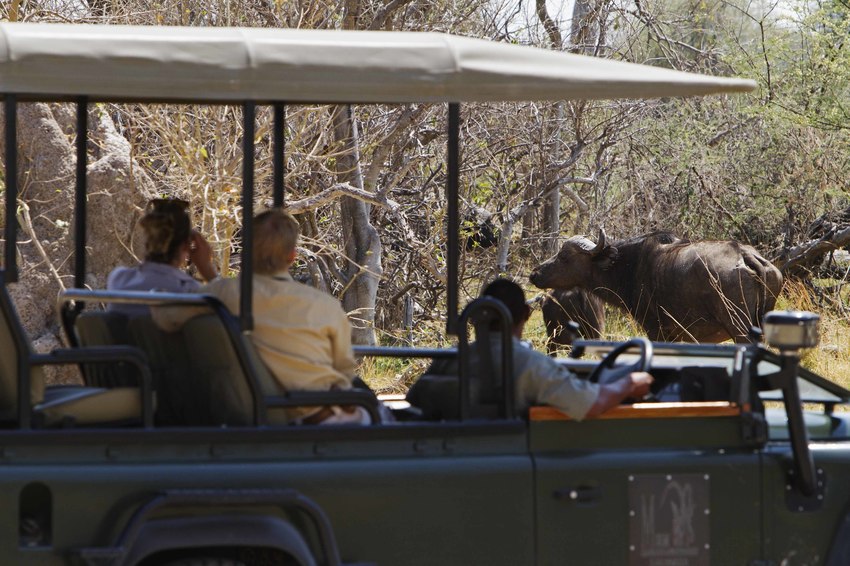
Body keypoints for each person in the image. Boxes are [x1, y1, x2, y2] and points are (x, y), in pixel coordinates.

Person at [158, 208, 371, 425]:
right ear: (292, 257)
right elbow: (344, 371)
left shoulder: (228, 295)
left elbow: (165, 315)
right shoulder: (326, 306)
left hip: (274, 411)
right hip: (326, 417)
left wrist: (204, 272)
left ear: (246, 252)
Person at [411, 278, 653, 420]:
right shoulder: (531, 365)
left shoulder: (448, 359)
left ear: (478, 316)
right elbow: (591, 404)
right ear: (527, 314)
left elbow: (415, 398)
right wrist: (629, 383)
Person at [107, 198, 218, 316]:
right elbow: (228, 317)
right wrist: (207, 269)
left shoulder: (119, 280)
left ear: (147, 239)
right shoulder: (190, 291)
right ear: (186, 245)